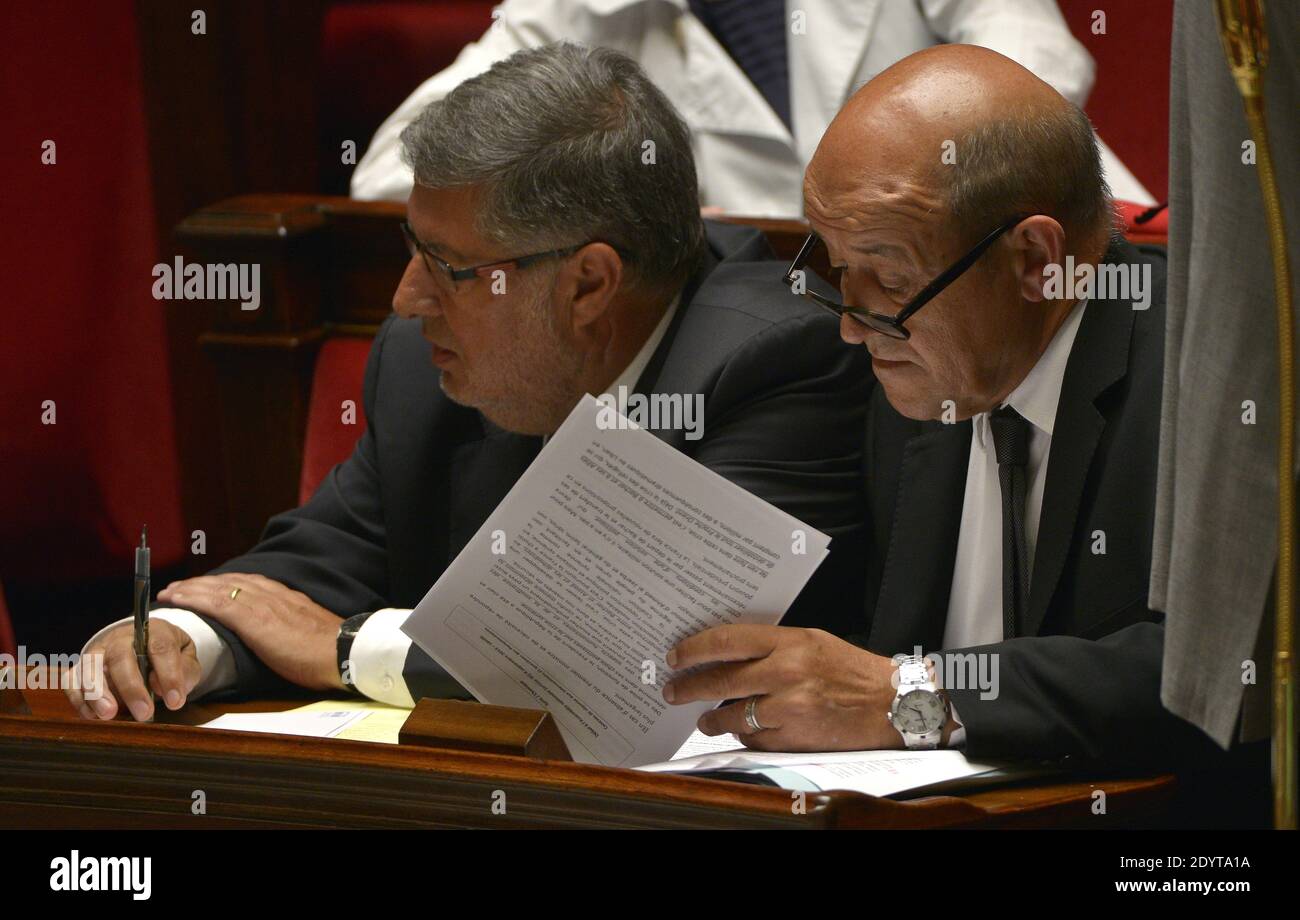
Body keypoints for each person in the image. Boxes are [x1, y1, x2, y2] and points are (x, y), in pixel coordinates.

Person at [67, 43, 870, 722]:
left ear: (589, 284)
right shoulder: (424, 366)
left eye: (447, 268)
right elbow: (320, 562)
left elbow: (626, 653)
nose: (405, 299)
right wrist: (181, 640)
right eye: (413, 248)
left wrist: (347, 649)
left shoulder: (778, 363)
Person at [661, 43, 1224, 773]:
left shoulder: (1208, 385)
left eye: (890, 279)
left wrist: (915, 699)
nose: (852, 326)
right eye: (837, 265)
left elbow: (1216, 669)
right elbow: (861, 651)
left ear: (1035, 261)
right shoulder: (916, 371)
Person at [350, 0, 1154, 215]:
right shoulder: (579, 8)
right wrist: (639, 213)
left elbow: (1034, 59)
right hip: (799, 325)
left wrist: (904, 190)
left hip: (1015, 241)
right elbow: (394, 172)